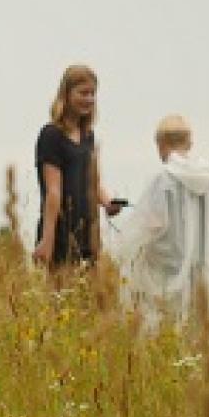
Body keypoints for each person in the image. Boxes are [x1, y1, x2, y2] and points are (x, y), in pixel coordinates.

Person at [109, 115, 209, 332]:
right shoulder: (206, 180)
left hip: (166, 268)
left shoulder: (163, 179)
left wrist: (121, 248)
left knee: (165, 325)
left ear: (161, 144)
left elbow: (150, 224)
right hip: (201, 265)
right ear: (190, 143)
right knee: (197, 328)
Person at [33, 65, 119, 270]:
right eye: (83, 93)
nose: (89, 99)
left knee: (88, 297)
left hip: (88, 230)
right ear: (67, 93)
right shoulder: (51, 135)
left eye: (92, 94)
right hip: (61, 230)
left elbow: (91, 182)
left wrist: (108, 202)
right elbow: (53, 192)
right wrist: (47, 240)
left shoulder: (88, 136)